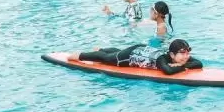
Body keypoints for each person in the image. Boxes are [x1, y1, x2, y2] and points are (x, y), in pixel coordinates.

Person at [71, 38, 202, 75]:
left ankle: (101, 48)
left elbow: (199, 63)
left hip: (141, 49)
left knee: (116, 52)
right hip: (131, 56)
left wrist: (181, 64)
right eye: (182, 53)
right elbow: (167, 71)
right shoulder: (162, 59)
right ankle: (80, 55)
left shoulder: (179, 58)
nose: (186, 56)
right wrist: (183, 67)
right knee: (108, 58)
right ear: (172, 54)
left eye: (187, 53)